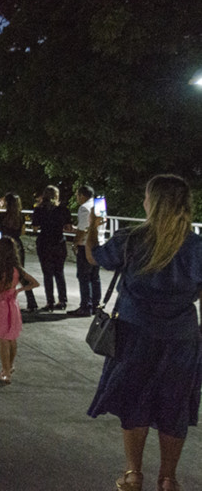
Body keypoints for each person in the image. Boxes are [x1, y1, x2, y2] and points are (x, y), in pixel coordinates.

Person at [85, 174, 202, 491]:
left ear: (155, 203)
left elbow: (94, 257)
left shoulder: (131, 239)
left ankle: (133, 474)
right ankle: (168, 479)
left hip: (134, 334)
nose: (143, 202)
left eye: (147, 197)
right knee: (174, 407)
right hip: (182, 338)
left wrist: (92, 227)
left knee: (134, 401)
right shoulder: (197, 247)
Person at [0, 236, 40, 383]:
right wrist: (19, 290)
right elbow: (35, 283)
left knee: (2, 339)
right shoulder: (17, 268)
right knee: (11, 336)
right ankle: (9, 367)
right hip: (12, 303)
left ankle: (6, 372)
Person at [0, 192, 38, 312]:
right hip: (17, 245)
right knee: (20, 272)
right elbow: (22, 232)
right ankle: (31, 301)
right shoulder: (20, 216)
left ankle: (0, 299)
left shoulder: (2, 216)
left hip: (4, 244)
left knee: (1, 271)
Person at [32, 185, 71, 311]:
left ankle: (50, 303)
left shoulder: (39, 210)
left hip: (44, 243)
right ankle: (62, 301)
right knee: (59, 272)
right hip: (59, 242)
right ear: (57, 196)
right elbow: (68, 227)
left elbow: (35, 227)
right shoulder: (63, 210)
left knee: (47, 274)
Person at [69, 184, 103, 317]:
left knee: (84, 276)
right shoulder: (98, 205)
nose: (77, 198)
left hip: (86, 246)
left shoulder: (84, 208)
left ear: (82, 196)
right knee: (95, 277)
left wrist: (75, 243)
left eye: (77, 195)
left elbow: (83, 230)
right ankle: (96, 305)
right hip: (99, 243)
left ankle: (85, 307)